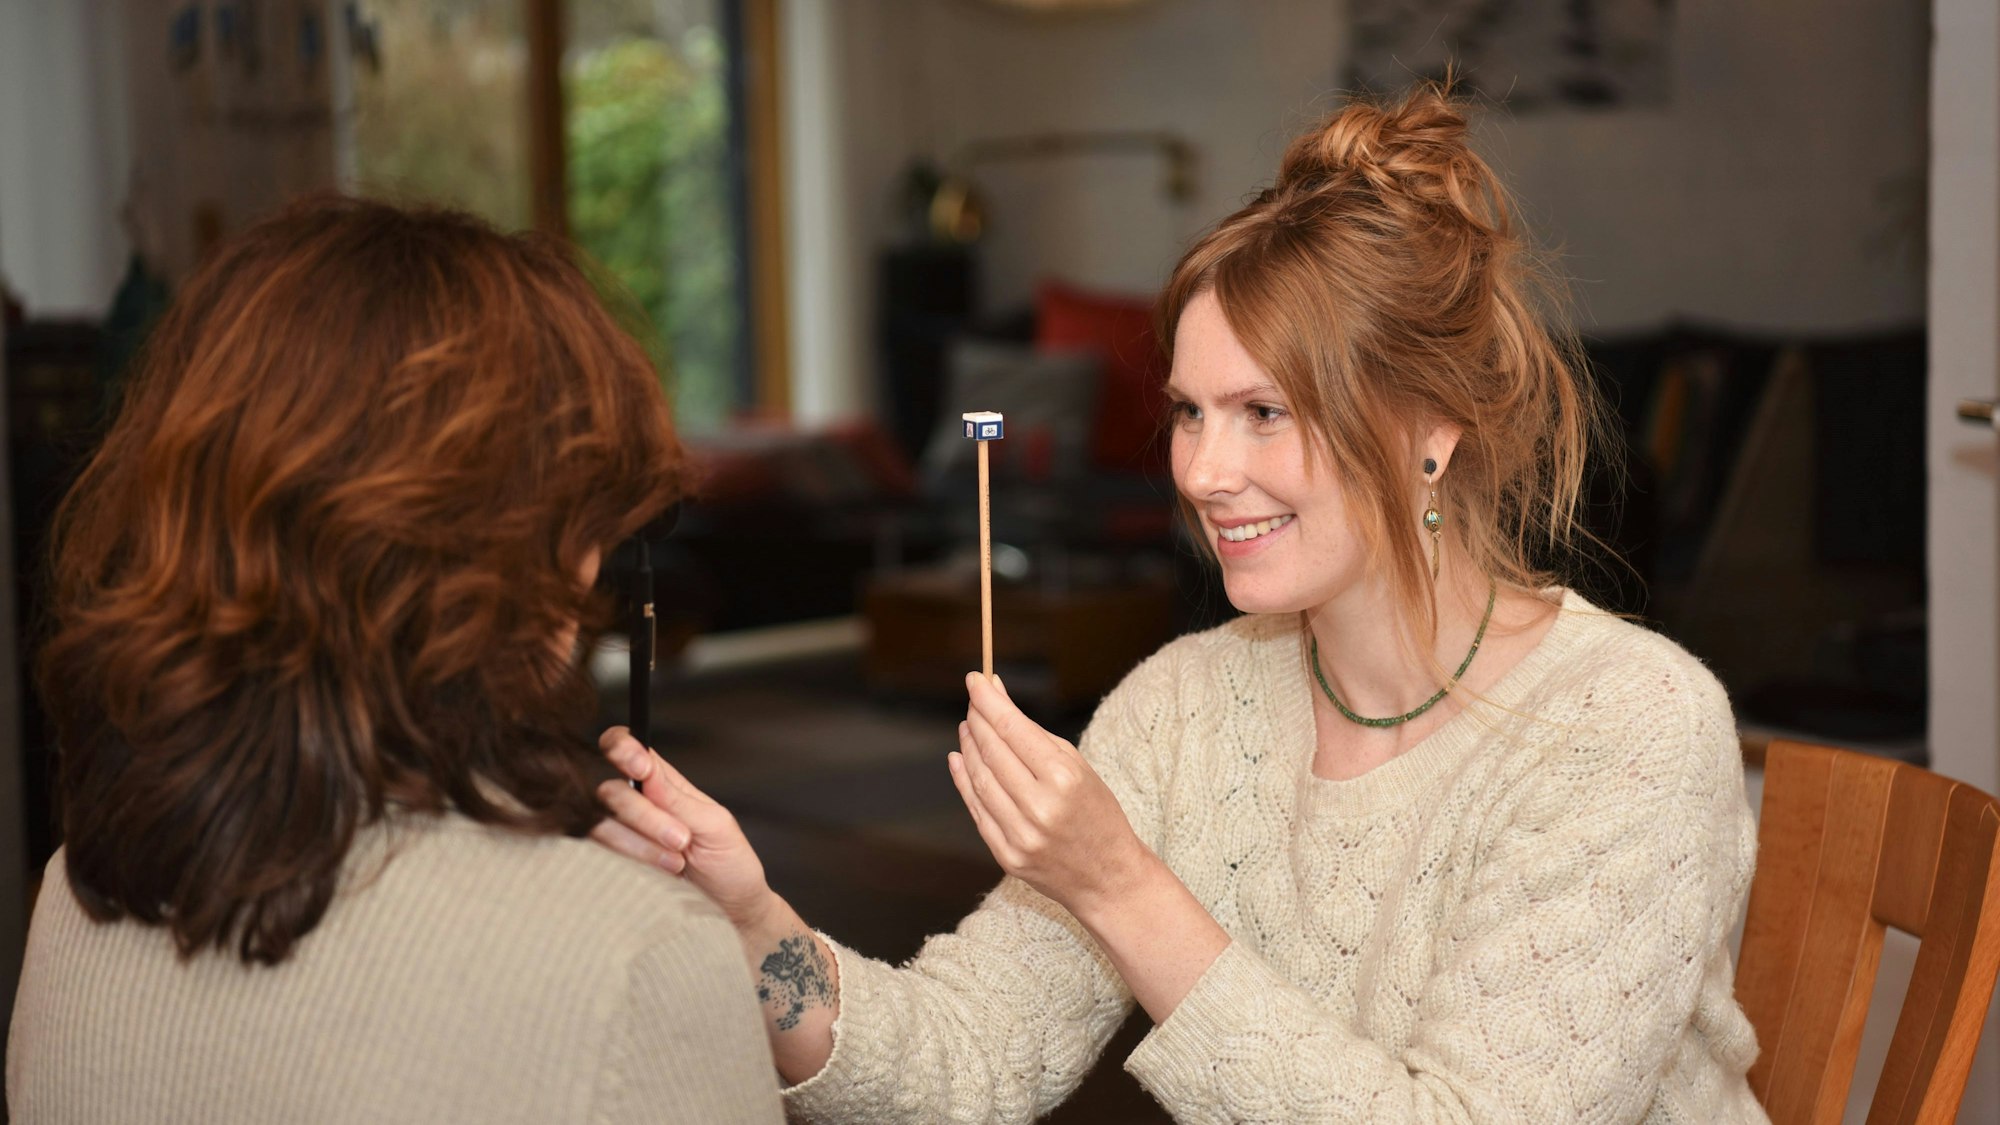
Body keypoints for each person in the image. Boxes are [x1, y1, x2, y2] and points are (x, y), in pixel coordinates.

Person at [595, 84, 1768, 1124]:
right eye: (1190, 413)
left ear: (1427, 431)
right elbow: (965, 1066)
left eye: (1263, 413)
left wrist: (1118, 885)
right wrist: (753, 927)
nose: (1202, 472)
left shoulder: (1625, 727)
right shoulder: (1182, 709)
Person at [6, 196, 783, 1124]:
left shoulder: (74, 900)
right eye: (581, 520)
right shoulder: (634, 955)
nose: (591, 574)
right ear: (493, 554)